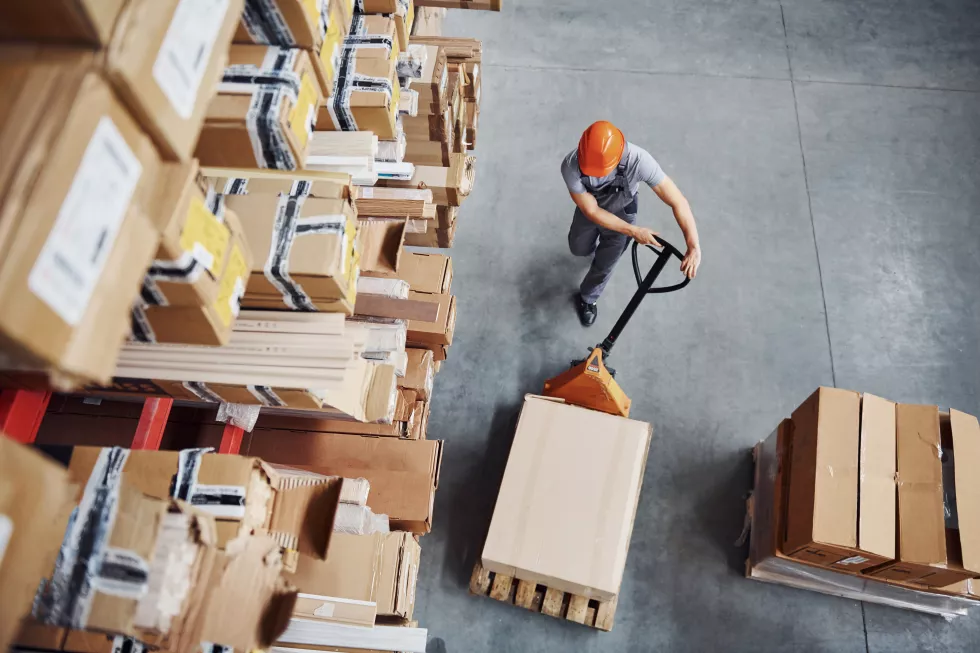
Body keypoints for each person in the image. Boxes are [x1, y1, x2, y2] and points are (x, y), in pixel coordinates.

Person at [562, 121, 701, 326]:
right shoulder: (571, 165)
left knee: (605, 264)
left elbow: (677, 201)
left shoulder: (639, 160)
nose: (591, 174)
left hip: (623, 210)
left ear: (617, 158)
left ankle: (588, 299)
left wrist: (693, 245)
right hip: (590, 211)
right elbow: (591, 210)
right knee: (578, 248)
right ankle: (591, 250)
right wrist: (633, 231)